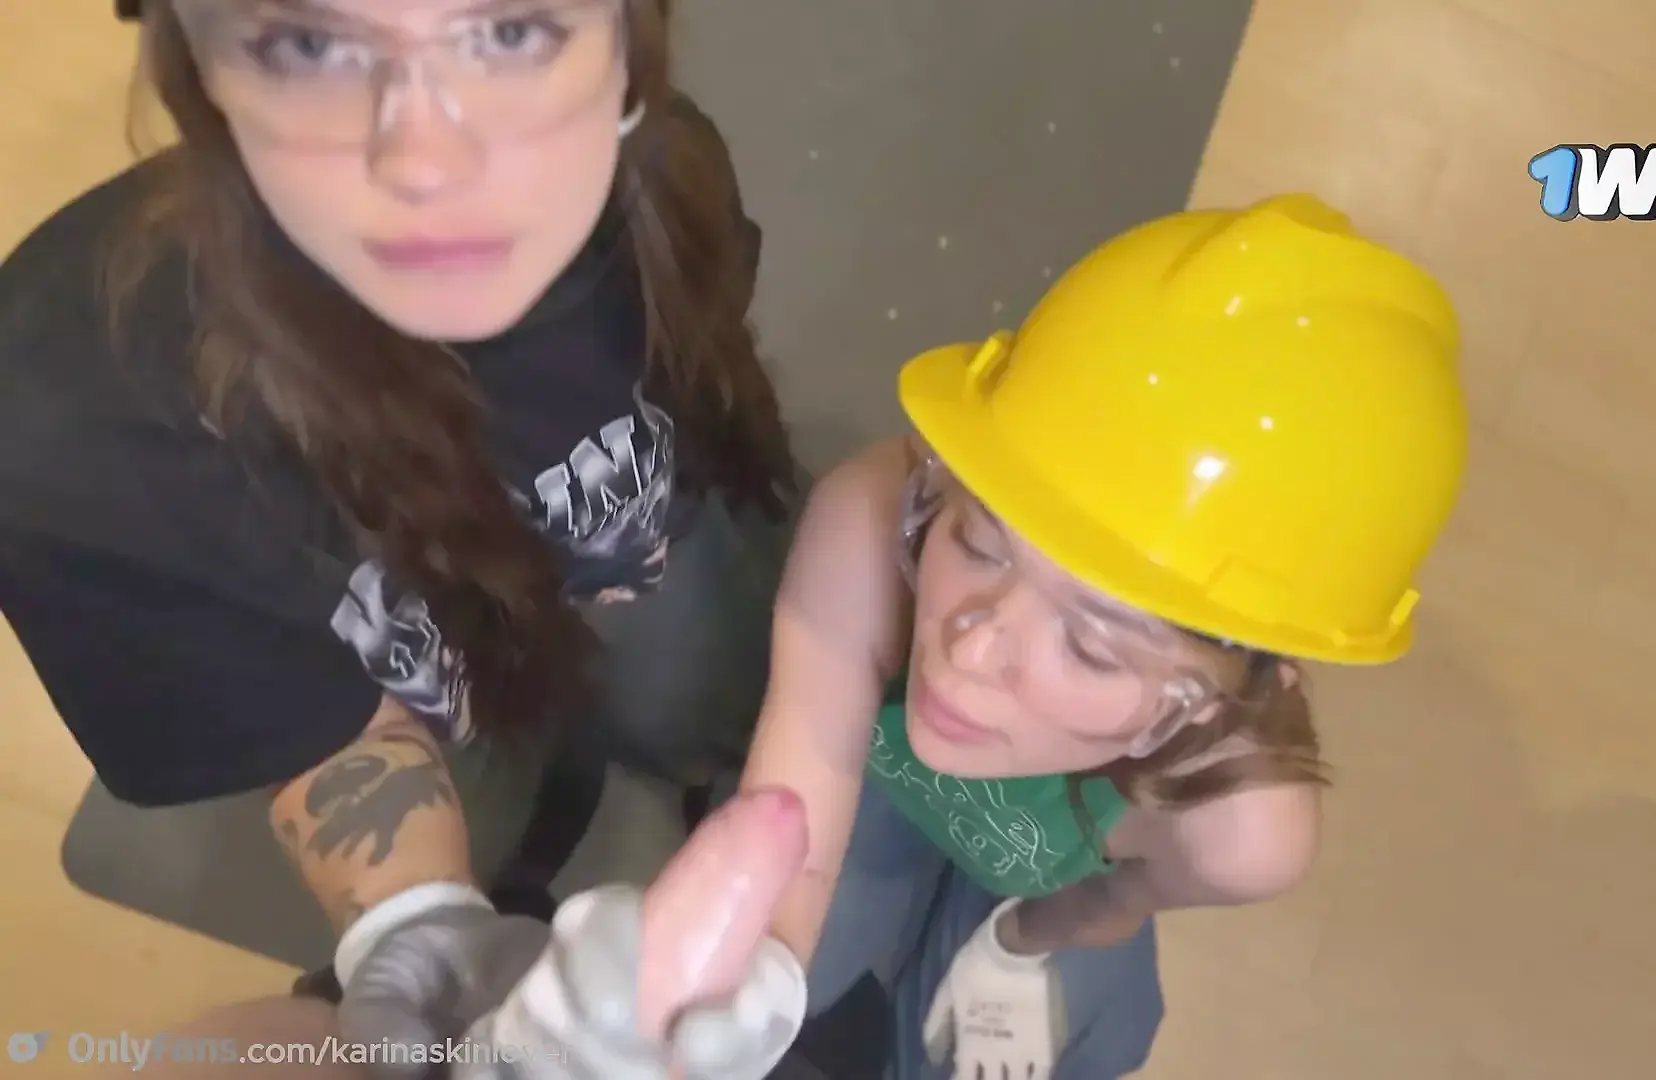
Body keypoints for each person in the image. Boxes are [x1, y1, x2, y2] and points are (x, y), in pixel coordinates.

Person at [2, 0, 797, 1053]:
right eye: (310, 44)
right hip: (415, 706)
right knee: (494, 808)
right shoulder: (71, 417)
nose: (427, 162)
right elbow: (306, 721)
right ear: (195, 67)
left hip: (651, 560)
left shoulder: (658, 187)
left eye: (509, 30)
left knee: (701, 696)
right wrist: (419, 925)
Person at [728, 191, 1471, 1078]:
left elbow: (1110, 904)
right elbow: (794, 800)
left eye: (1090, 646)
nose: (969, 649)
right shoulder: (870, 520)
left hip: (1040, 877)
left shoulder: (1241, 835)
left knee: (1098, 1040)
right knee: (782, 990)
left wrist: (1015, 949)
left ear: (1210, 706)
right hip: (873, 795)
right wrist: (735, 994)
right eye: (978, 543)